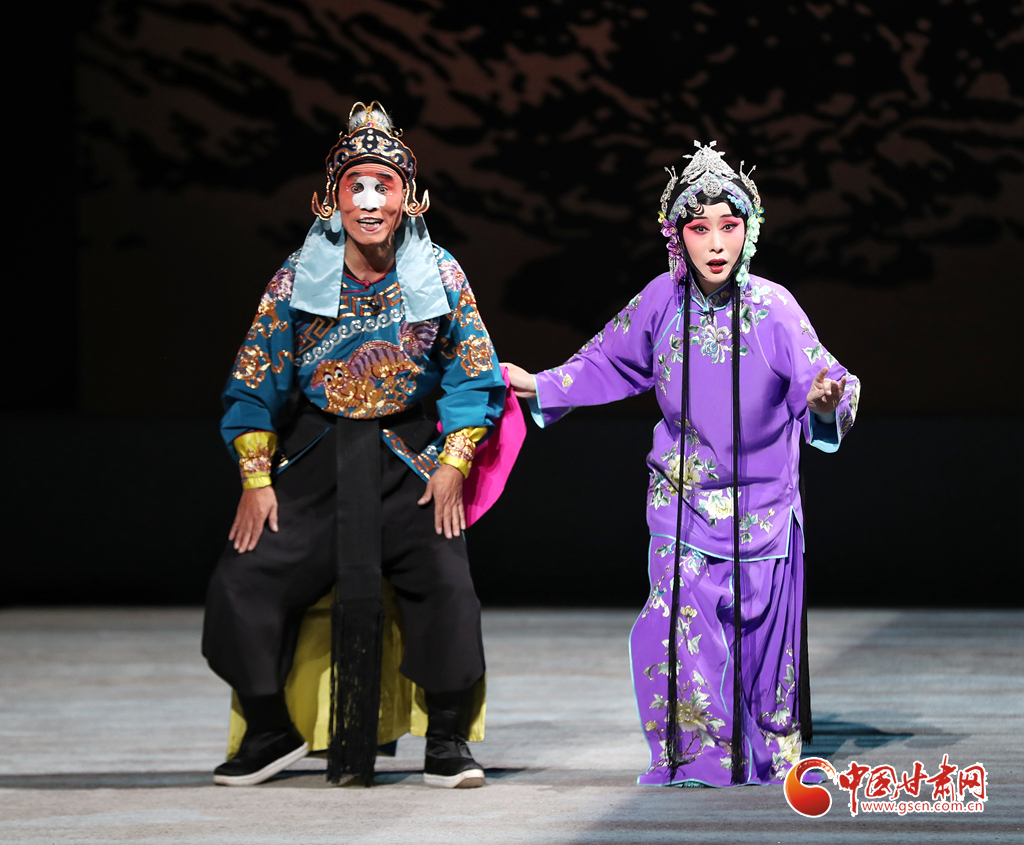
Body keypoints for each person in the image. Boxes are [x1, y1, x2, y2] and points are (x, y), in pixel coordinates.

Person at [503, 141, 861, 787]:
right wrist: (542, 384)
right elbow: (607, 360)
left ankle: (763, 748)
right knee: (675, 626)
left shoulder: (775, 308)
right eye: (700, 228)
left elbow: (828, 377)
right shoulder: (660, 302)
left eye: (730, 225)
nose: (717, 243)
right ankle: (694, 754)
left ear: (750, 230)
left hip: (764, 507)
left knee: (761, 641)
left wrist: (825, 401)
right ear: (677, 235)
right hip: (683, 499)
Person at [202, 102, 506, 789]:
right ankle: (269, 728)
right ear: (330, 199)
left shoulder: (441, 273)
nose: (370, 201)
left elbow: (473, 374)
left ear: (409, 198)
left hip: (410, 457)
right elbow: (253, 382)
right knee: (241, 580)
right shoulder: (296, 277)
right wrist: (256, 480)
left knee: (448, 585)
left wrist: (454, 462)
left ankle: (447, 739)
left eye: (384, 186)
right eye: (356, 186)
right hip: (315, 457)